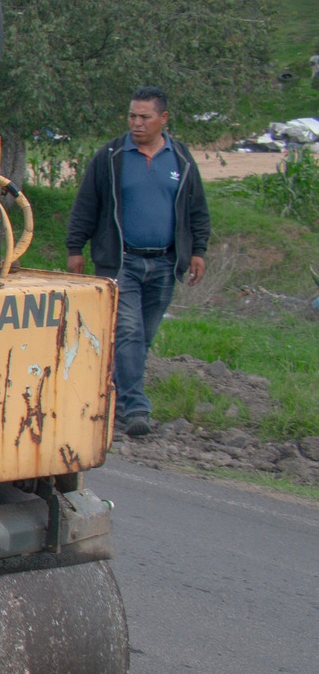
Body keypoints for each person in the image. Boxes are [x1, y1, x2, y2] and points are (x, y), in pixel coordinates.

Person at [65, 86, 210, 438]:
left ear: (163, 118)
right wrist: (75, 248)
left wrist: (198, 250)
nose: (136, 123)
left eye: (144, 117)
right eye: (132, 115)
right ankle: (137, 408)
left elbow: (196, 209)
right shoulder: (112, 156)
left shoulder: (181, 158)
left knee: (142, 338)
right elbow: (87, 204)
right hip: (120, 262)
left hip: (164, 264)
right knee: (128, 332)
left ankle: (109, 399)